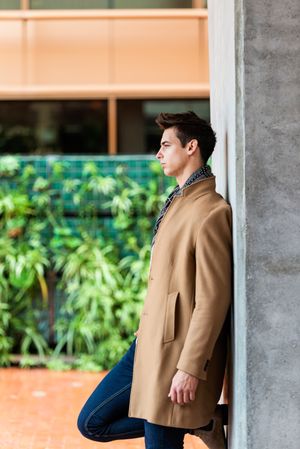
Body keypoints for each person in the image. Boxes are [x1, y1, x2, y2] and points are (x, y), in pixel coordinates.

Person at [77, 111, 232, 449]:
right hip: (147, 344)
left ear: (191, 147)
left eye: (165, 145)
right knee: (92, 421)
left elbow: (213, 299)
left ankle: (198, 418)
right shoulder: (177, 202)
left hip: (177, 355)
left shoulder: (211, 212)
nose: (158, 154)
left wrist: (191, 368)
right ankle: (204, 421)